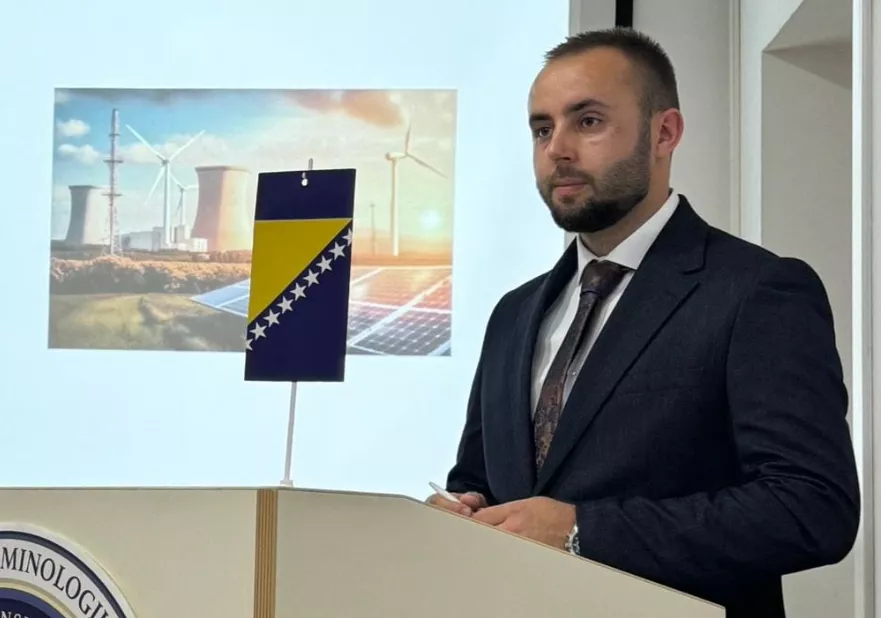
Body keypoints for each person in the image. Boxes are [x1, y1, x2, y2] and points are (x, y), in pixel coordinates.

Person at [426, 27, 860, 618]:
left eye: (588, 121)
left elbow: (812, 508)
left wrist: (581, 531)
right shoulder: (513, 313)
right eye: (542, 129)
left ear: (665, 133)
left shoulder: (758, 291)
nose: (557, 149)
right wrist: (462, 512)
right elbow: (479, 480)